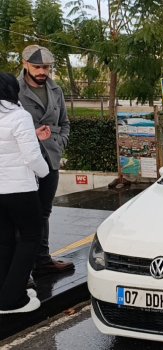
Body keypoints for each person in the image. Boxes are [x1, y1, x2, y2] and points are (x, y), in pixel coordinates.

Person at [17, 45, 74, 275]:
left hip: (50, 159)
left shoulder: (56, 89)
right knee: (22, 213)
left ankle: (42, 260)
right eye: (37, 67)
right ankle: (21, 265)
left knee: (44, 211)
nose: (42, 72)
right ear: (25, 64)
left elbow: (65, 122)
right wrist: (33, 134)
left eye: (46, 68)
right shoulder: (12, 89)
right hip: (22, 162)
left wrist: (60, 143)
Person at [0, 72, 50, 314]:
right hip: (20, 189)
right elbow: (32, 156)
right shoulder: (19, 116)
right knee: (31, 237)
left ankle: (5, 290)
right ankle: (12, 299)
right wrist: (45, 172)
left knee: (5, 239)